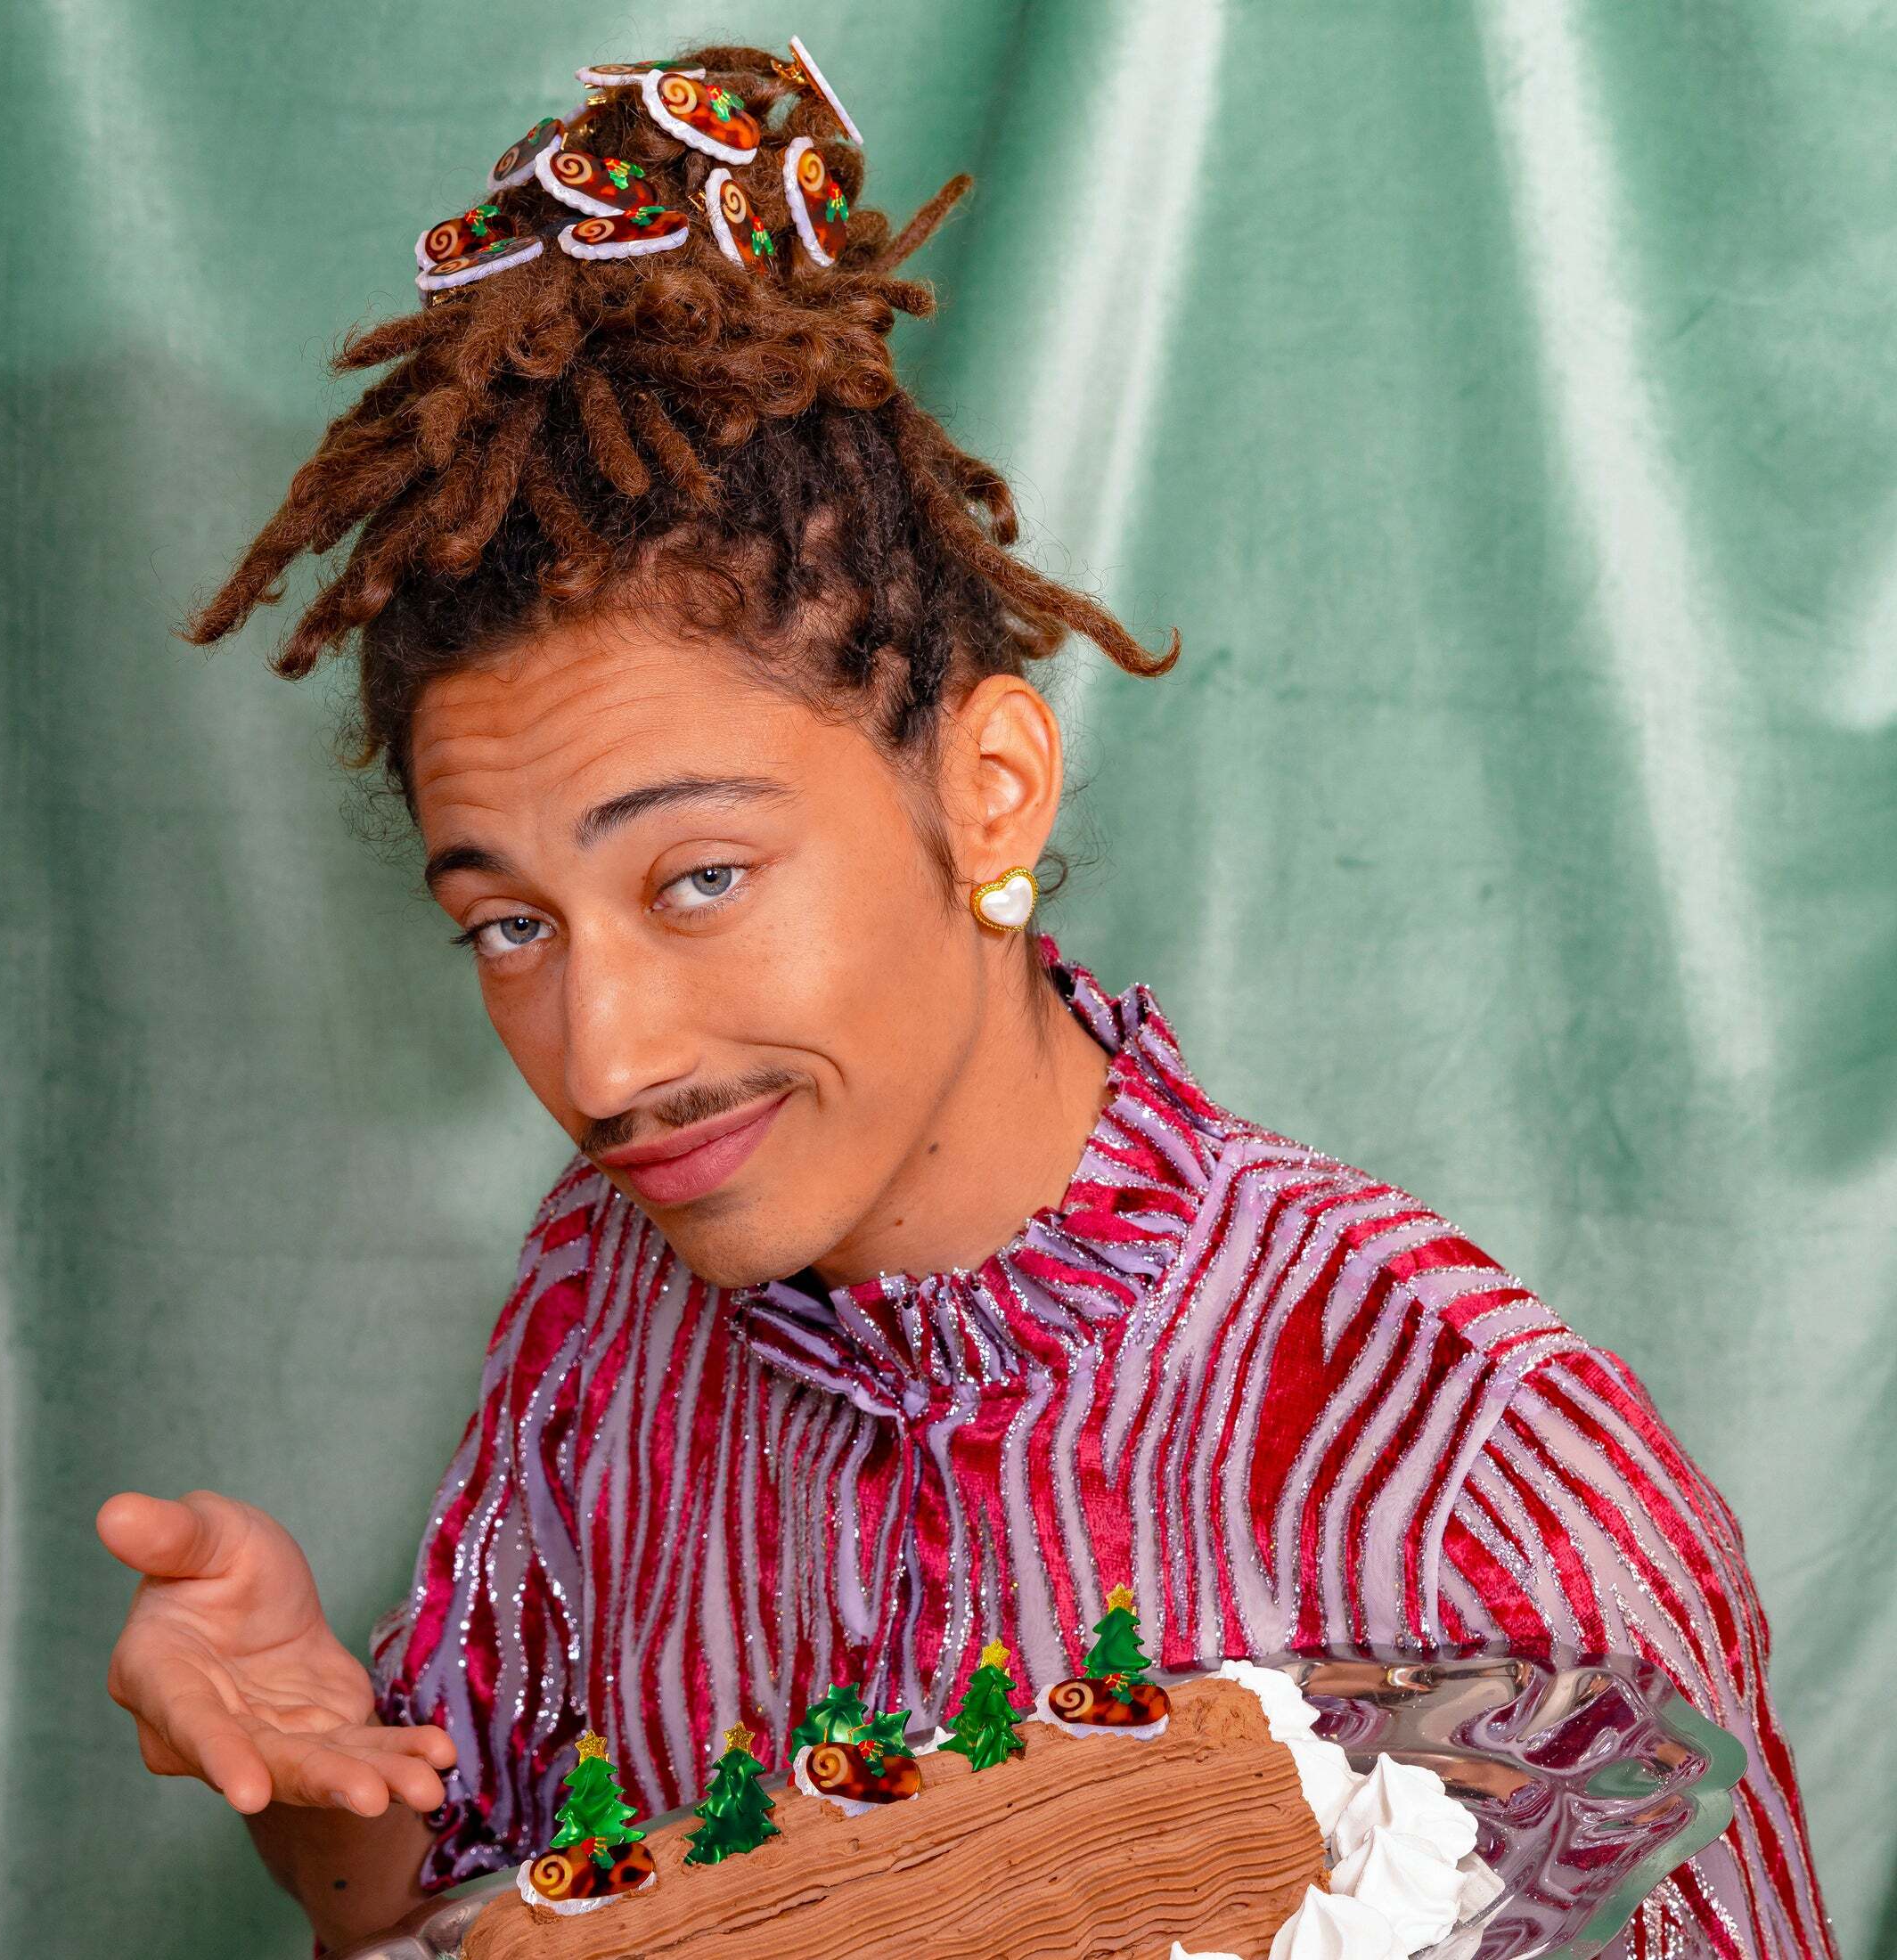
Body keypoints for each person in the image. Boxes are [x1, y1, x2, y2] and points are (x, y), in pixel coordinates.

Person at [96, 38, 1833, 1959]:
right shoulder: (607, 1303)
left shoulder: (1485, 1476)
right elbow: (471, 1912)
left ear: (988, 788)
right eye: (508, 925)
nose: (604, 1061)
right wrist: (324, 1785)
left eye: (698, 878)